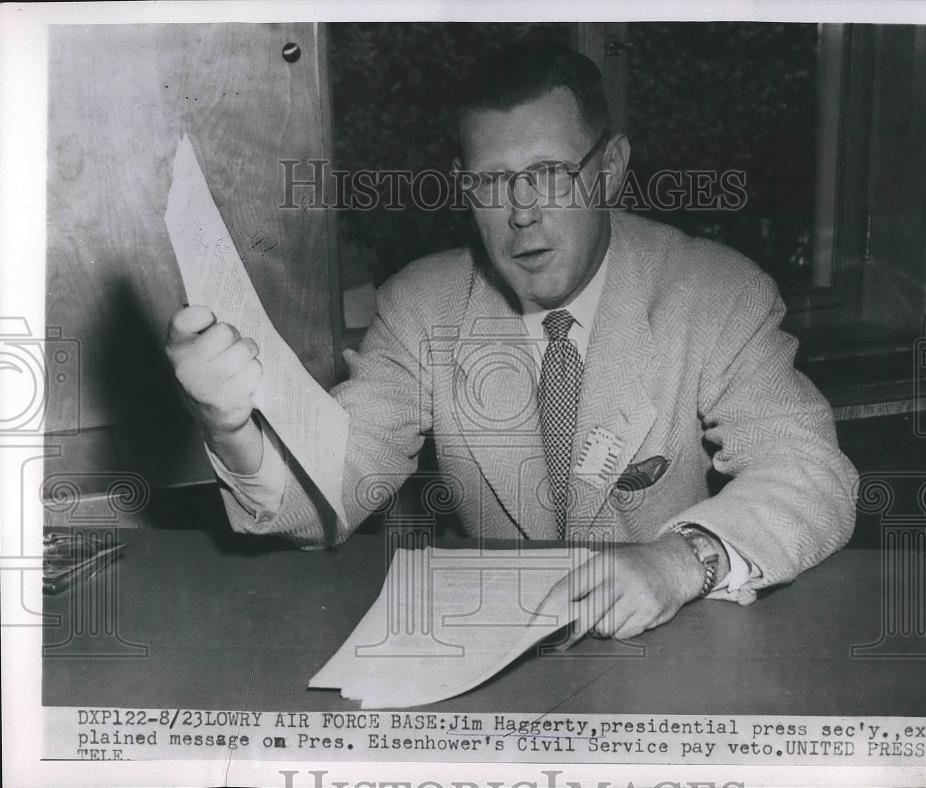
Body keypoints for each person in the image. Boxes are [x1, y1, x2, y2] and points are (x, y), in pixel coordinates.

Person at [165, 42, 858, 643]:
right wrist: (232, 427)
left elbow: (812, 475)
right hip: (498, 666)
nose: (522, 212)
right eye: (493, 182)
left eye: (551, 175)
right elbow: (328, 504)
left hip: (673, 646)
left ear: (610, 168)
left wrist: (682, 559)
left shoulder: (715, 293)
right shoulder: (421, 308)